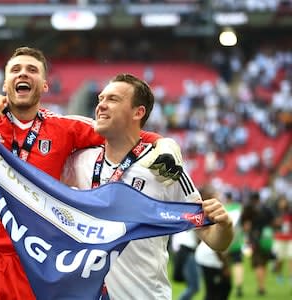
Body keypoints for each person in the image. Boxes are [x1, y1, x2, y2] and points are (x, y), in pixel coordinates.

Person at [0, 2, 184, 298]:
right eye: (15, 69)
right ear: (5, 83)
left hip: (31, 259)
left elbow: (122, 130)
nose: (23, 74)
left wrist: (163, 143)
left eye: (32, 70)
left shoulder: (66, 127)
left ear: (45, 85)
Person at [61, 73, 234, 299]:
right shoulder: (80, 162)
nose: (101, 105)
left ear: (138, 112)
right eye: (101, 98)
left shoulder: (164, 168)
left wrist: (225, 225)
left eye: (112, 99)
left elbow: (213, 239)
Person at [194, 185, 232, 300]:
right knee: (220, 289)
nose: (218, 196)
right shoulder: (211, 212)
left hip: (203, 255)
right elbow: (217, 247)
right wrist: (225, 265)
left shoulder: (203, 213)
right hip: (209, 257)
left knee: (213, 290)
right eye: (214, 194)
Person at [241, 192, 275, 296]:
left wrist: (247, 235)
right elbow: (273, 221)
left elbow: (245, 226)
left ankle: (261, 287)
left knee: (258, 264)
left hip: (254, 240)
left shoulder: (249, 209)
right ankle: (262, 285)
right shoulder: (266, 208)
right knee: (264, 263)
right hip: (266, 239)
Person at [172, 229, 200, 300]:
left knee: (192, 286)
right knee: (193, 287)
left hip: (183, 251)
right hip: (188, 251)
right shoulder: (193, 220)